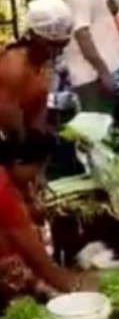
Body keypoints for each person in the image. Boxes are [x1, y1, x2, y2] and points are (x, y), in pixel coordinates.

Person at [0, 131, 95, 307]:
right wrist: (68, 284)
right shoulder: (2, 188)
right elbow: (31, 252)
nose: (39, 175)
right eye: (38, 167)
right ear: (17, 163)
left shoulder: (15, 185)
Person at [0, 0, 75, 141]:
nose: (57, 52)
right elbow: (11, 129)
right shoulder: (14, 68)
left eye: (62, 46)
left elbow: (38, 111)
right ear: (34, 36)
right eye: (52, 45)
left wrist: (43, 136)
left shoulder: (41, 63)